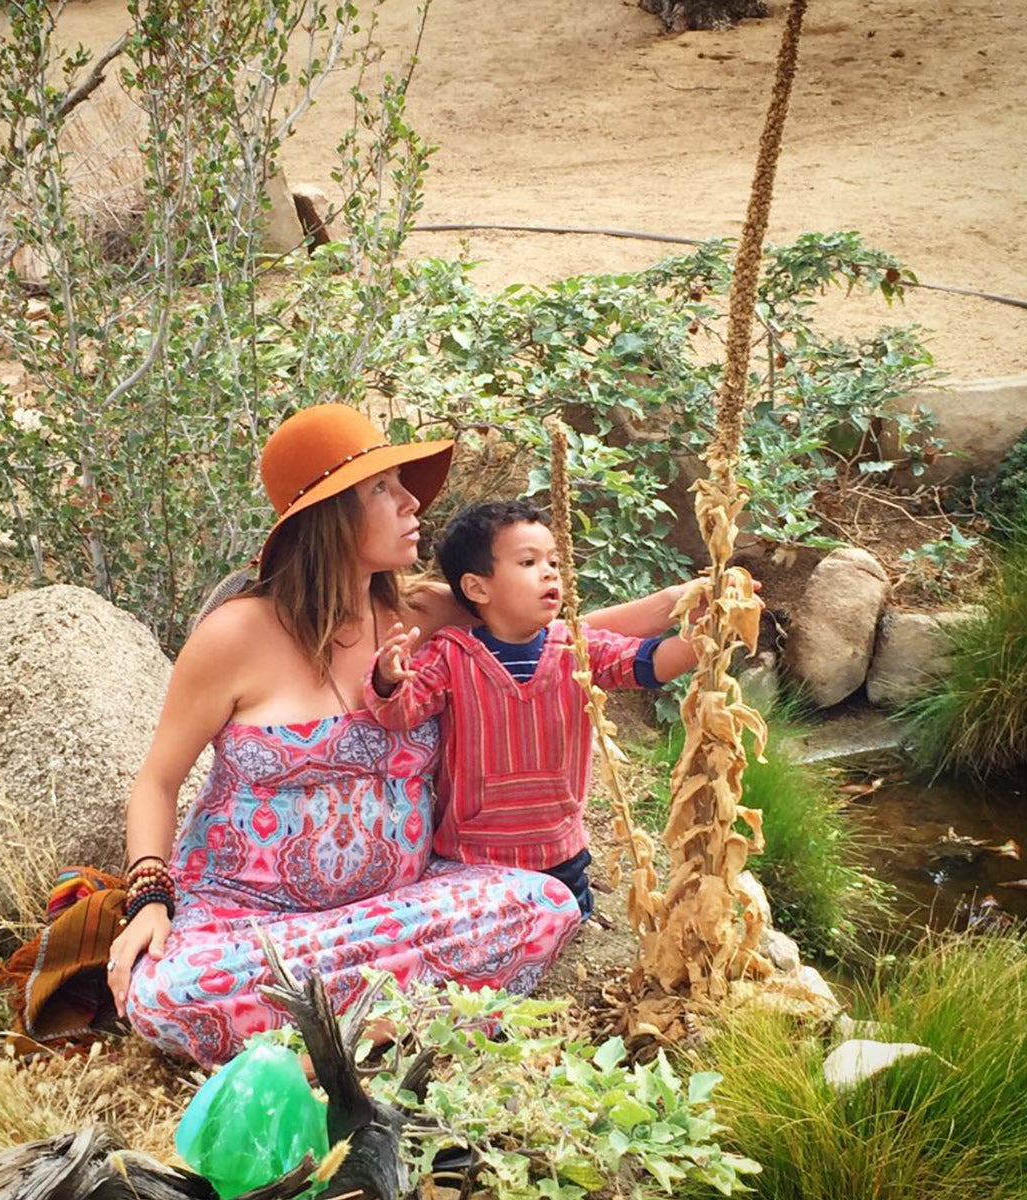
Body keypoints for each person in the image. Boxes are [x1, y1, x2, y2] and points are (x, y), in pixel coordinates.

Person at [108, 403, 699, 1066]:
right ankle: (401, 1023)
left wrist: (695, 598)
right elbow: (157, 782)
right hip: (249, 918)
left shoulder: (425, 613)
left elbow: (561, 639)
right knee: (165, 993)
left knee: (545, 902)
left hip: (403, 905)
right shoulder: (234, 637)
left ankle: (327, 1037)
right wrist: (151, 900)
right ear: (328, 517)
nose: (412, 501)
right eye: (382, 489)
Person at [365, 500, 695, 920]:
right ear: (477, 588)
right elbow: (401, 712)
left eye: (554, 561)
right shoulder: (450, 656)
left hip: (560, 855)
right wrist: (387, 679)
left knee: (559, 931)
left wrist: (708, 629)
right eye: (528, 561)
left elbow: (650, 664)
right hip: (473, 857)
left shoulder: (576, 646)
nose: (550, 571)